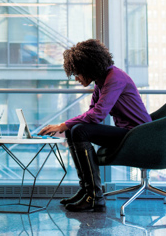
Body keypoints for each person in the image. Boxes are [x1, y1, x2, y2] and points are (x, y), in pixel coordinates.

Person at [39, 39, 151, 212]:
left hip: (139, 135)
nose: (76, 78)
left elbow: (98, 115)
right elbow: (92, 112)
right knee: (74, 131)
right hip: (128, 133)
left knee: (79, 130)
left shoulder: (114, 78)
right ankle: (87, 191)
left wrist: (63, 124)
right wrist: (65, 127)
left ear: (88, 68)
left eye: (77, 73)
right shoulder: (102, 81)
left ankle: (95, 196)